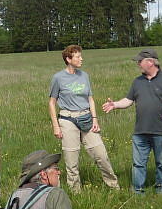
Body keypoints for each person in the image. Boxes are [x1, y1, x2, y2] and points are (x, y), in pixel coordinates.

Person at [102, 48, 162, 194]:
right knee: (138, 164)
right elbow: (128, 100)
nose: (138, 63)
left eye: (140, 61)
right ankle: (138, 190)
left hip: (160, 131)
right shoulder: (137, 82)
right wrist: (115, 105)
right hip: (140, 132)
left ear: (150, 62)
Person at [48, 45, 119, 191]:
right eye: (78, 56)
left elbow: (90, 99)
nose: (81, 58)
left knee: (101, 155)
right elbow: (51, 103)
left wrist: (95, 119)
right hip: (68, 120)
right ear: (68, 59)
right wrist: (56, 125)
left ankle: (114, 186)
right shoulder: (58, 78)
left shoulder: (84, 76)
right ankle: (75, 192)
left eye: (81, 56)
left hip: (86, 118)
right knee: (71, 160)